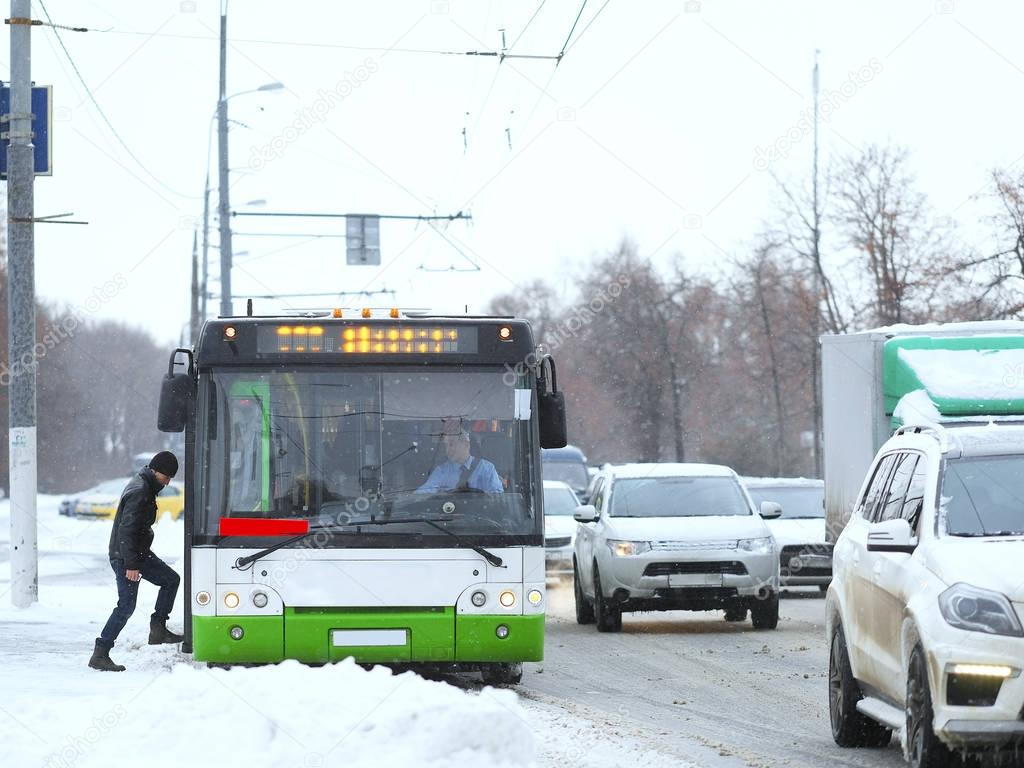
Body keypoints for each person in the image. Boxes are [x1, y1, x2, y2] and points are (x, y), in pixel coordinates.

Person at [89, 451, 184, 672]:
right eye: (166, 476)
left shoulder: (146, 486)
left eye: (170, 478)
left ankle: (158, 629)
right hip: (127, 557)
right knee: (126, 606)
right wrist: (131, 565)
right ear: (155, 470)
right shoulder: (140, 490)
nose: (167, 481)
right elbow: (127, 531)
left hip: (138, 554)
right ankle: (100, 653)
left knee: (171, 580)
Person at [417, 428, 503, 493]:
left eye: (451, 444)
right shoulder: (442, 471)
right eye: (446, 445)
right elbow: (423, 493)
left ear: (466, 445)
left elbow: (496, 498)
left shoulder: (486, 468)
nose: (448, 449)